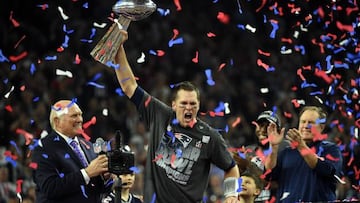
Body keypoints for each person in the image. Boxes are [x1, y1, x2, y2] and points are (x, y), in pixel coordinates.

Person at [113, 31, 240, 203]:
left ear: (199, 105)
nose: (189, 108)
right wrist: (119, 48)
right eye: (184, 104)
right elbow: (129, 86)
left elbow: (231, 168)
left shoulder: (210, 136)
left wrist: (231, 194)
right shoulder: (159, 114)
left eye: (193, 104)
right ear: (173, 105)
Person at [31, 100, 111, 203]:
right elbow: (49, 188)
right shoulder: (43, 148)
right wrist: (86, 173)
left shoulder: (88, 145)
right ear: (57, 121)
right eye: (74, 116)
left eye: (80, 115)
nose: (80, 120)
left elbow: (96, 190)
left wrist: (105, 178)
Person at [264, 106, 343, 202]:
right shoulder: (286, 153)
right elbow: (269, 175)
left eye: (311, 123)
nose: (306, 126)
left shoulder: (330, 149)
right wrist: (273, 147)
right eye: (303, 122)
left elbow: (326, 170)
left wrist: (301, 146)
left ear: (321, 127)